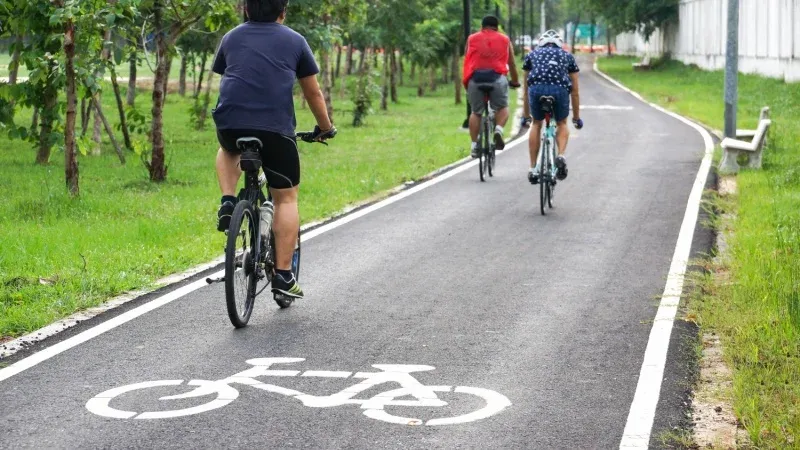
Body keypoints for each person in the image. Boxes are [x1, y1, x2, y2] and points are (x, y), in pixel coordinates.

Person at [212, 0, 336, 300]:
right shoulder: (295, 41)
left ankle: (229, 201)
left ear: (246, 9)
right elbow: (313, 92)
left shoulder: (231, 37)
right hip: (275, 130)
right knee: (286, 198)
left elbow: (229, 76)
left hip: (231, 123)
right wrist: (325, 127)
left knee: (228, 149)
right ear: (283, 11)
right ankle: (283, 274)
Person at [522, 29, 583, 184]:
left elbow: (525, 88)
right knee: (562, 123)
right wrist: (576, 118)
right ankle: (561, 155)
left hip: (536, 90)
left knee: (536, 124)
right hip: (559, 90)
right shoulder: (567, 56)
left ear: (541, 43)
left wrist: (525, 116)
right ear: (559, 44)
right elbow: (575, 91)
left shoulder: (532, 55)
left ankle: (533, 168)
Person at [462, 16, 521, 157]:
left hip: (475, 80)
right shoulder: (505, 40)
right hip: (497, 79)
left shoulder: (471, 39)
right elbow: (511, 63)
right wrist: (515, 81)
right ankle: (499, 130)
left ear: (482, 26)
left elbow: (467, 59)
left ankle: (475, 146)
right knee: (503, 108)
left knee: (476, 112)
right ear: (497, 27)